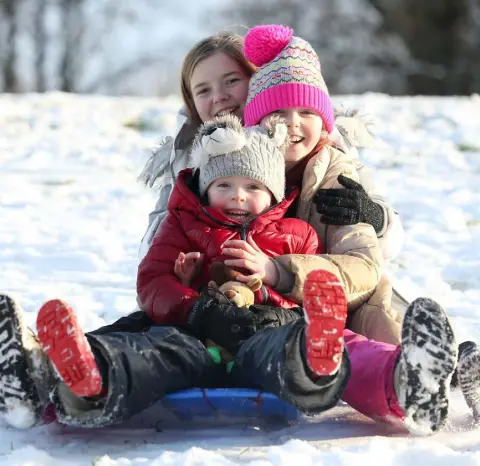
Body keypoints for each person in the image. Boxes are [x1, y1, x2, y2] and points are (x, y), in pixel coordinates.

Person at [138, 30, 405, 345]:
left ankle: (428, 361)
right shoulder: (190, 162)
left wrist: (375, 217)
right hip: (219, 294)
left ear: (257, 81)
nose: (219, 97)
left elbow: (371, 253)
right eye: (203, 90)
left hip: (315, 285)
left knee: (375, 294)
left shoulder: (322, 150)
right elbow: (155, 252)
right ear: (192, 103)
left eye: (231, 81)